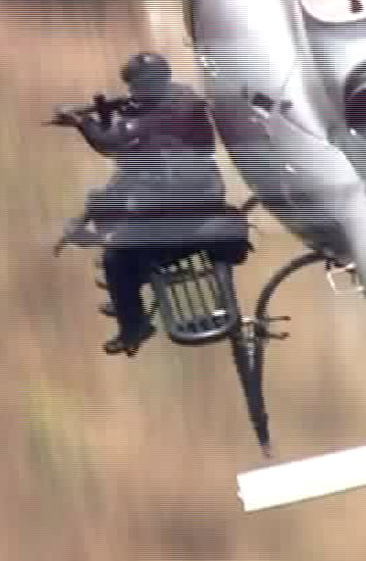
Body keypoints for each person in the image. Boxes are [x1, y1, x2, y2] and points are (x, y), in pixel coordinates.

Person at [56, 51, 243, 356]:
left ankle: (133, 328)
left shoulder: (150, 119)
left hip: (182, 225)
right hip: (207, 210)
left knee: (115, 258)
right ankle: (126, 295)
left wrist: (81, 120)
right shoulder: (184, 99)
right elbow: (129, 155)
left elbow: (110, 143)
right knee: (115, 213)